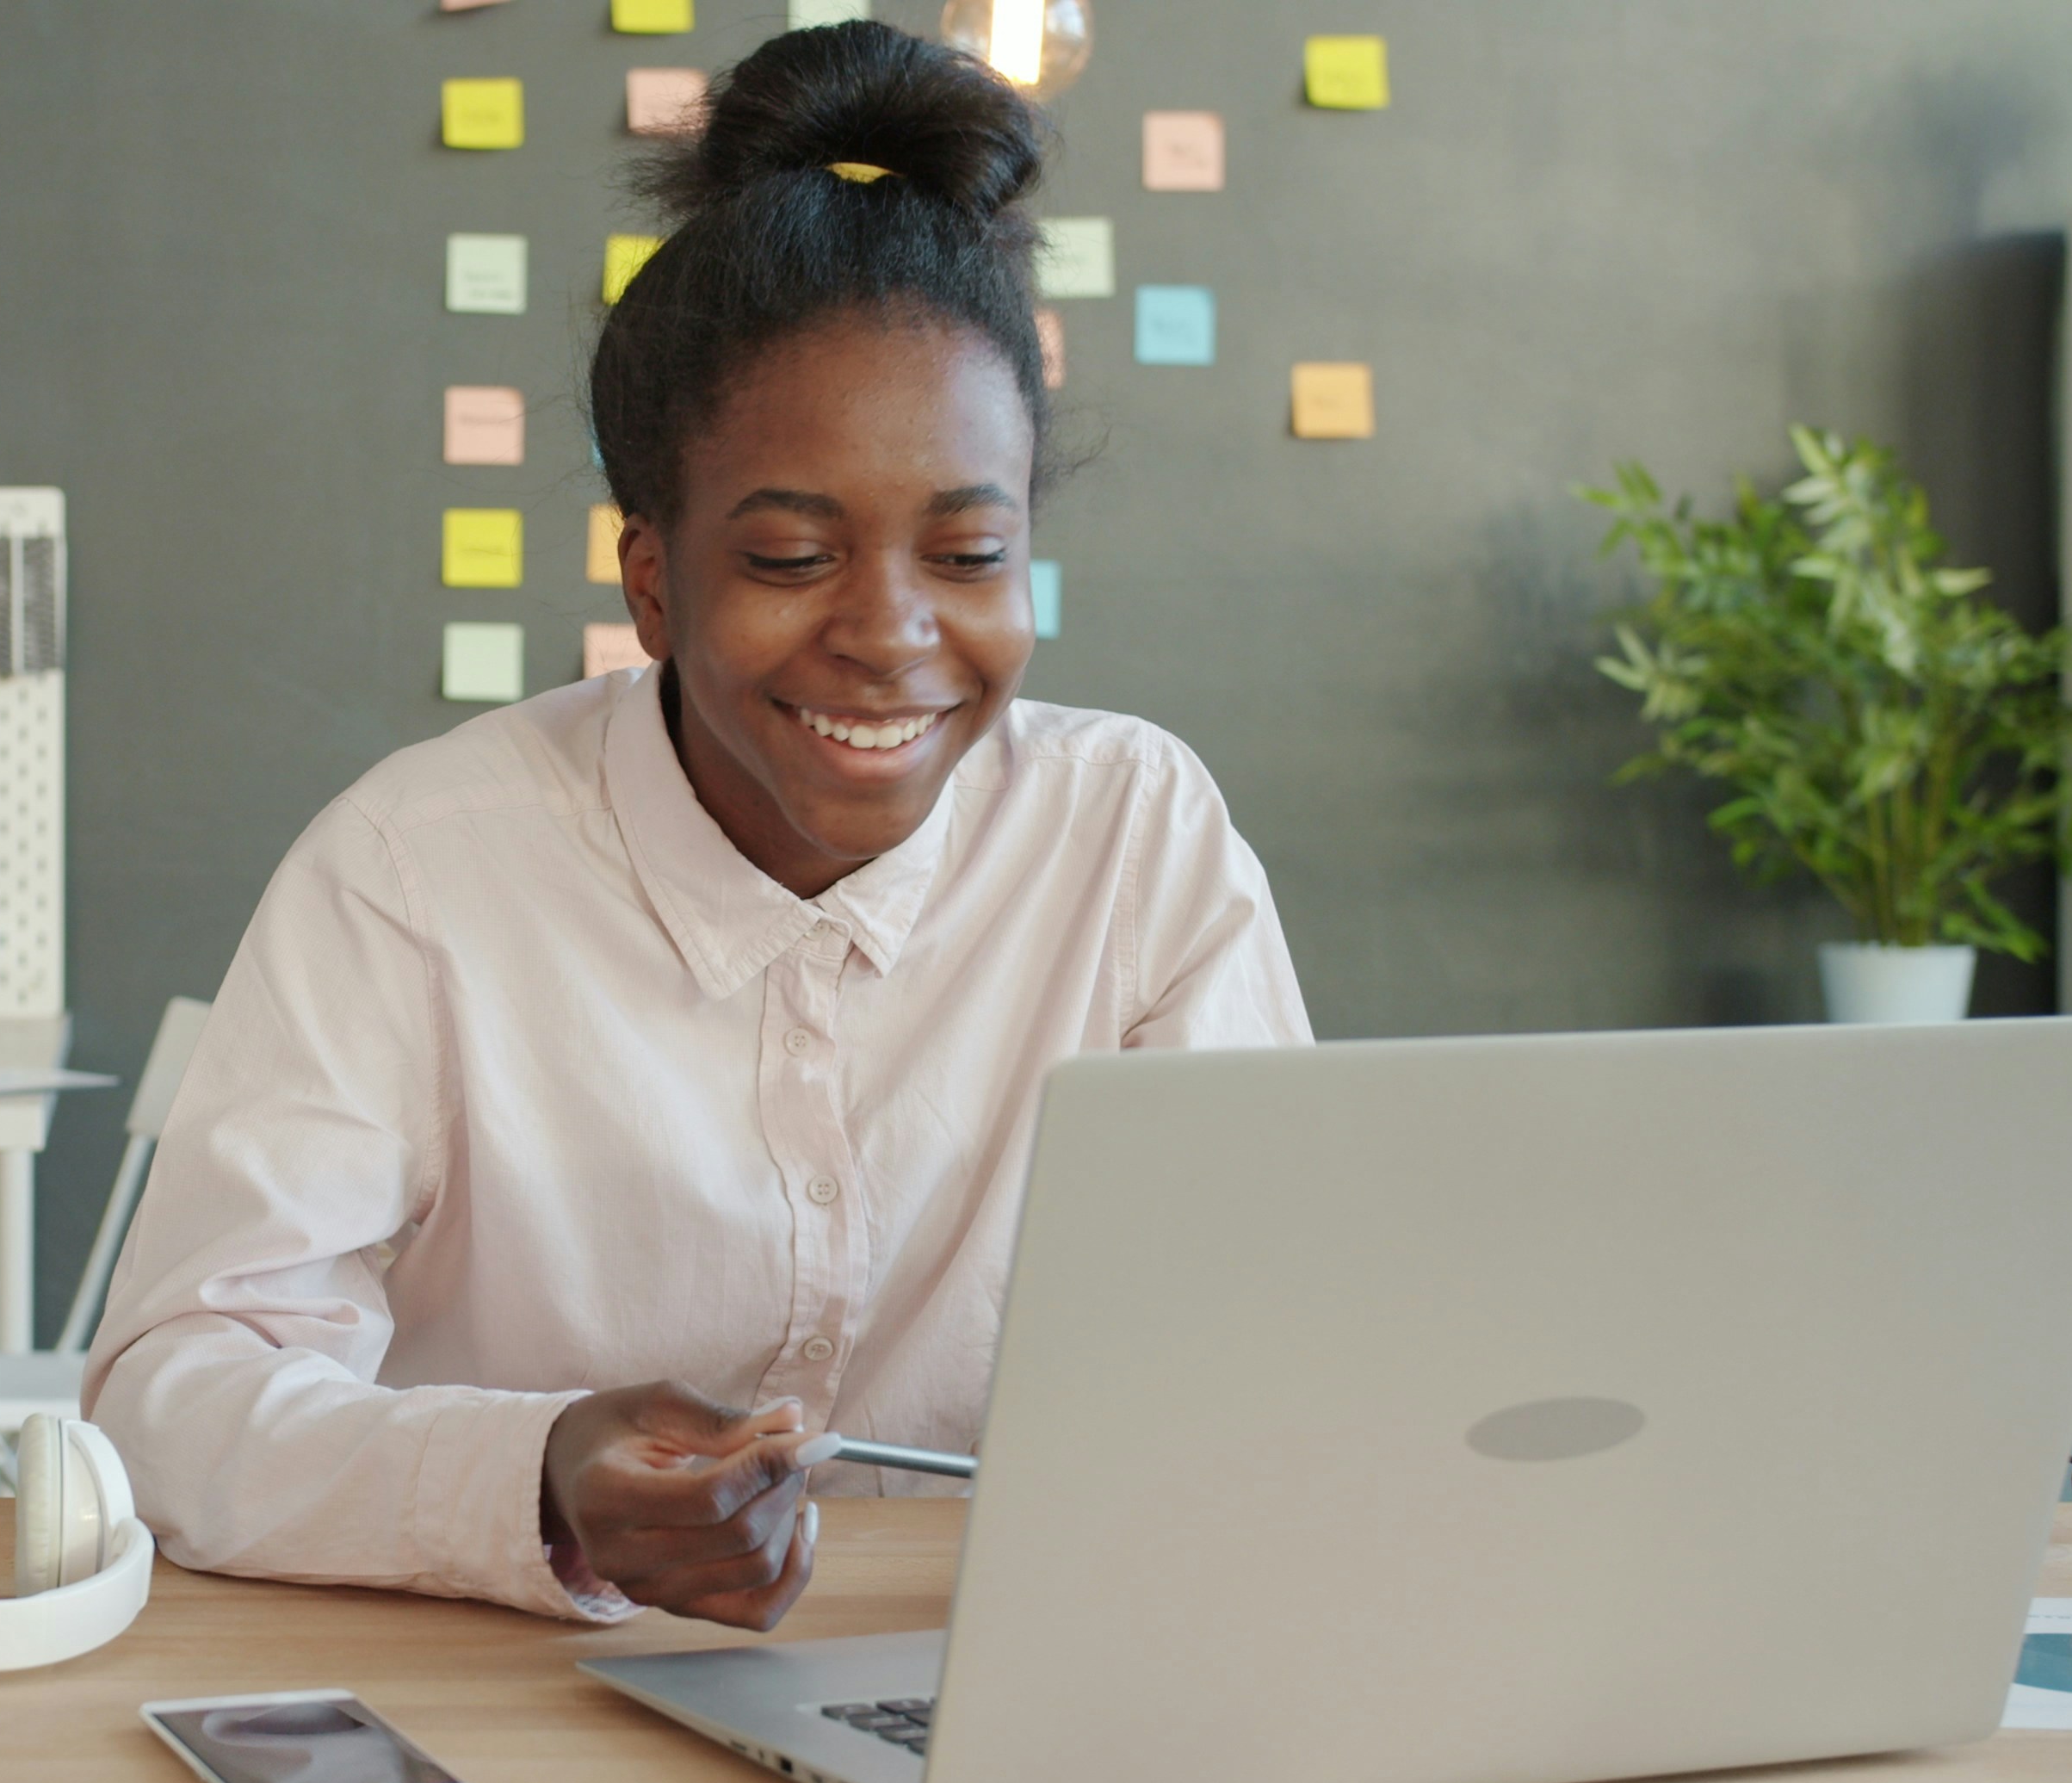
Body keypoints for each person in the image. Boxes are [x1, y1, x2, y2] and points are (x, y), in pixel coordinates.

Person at [83, 21, 1311, 1631]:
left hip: (997, 1674)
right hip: (522, 1694)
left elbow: (1281, 1336)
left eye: (967, 555)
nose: (892, 638)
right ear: (651, 581)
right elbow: (172, 1398)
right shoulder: (418, 870)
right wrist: (534, 1474)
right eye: (793, 560)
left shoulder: (1134, 838)